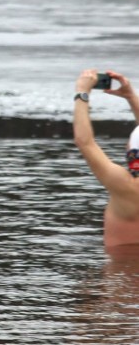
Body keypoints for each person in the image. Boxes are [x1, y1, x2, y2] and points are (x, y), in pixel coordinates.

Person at [73, 69, 139, 248]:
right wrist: (131, 97)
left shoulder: (126, 187)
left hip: (122, 273)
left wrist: (82, 93)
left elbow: (85, 142)